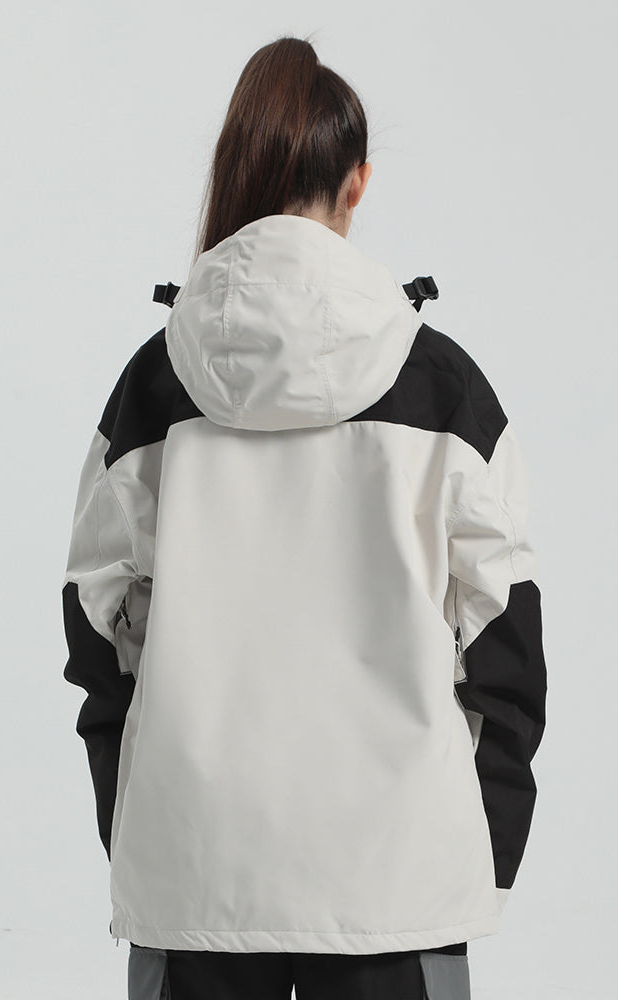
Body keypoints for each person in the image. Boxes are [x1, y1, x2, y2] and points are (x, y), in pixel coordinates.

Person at [61, 33, 548, 1000]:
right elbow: (505, 649)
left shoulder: (155, 385)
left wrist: (147, 826)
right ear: (356, 183)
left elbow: (98, 630)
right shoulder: (444, 388)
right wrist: (473, 854)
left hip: (194, 874)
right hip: (398, 883)